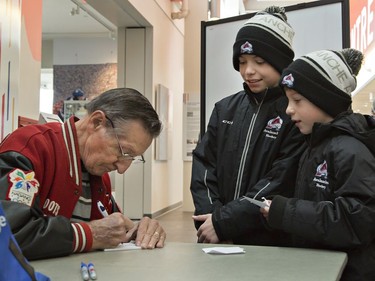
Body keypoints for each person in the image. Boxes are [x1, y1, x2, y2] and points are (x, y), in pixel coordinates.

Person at [0, 88, 166, 260]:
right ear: (96, 122)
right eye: (123, 151)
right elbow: (10, 233)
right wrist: (90, 234)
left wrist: (139, 230)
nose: (122, 168)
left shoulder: (98, 175)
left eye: (132, 158)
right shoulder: (30, 148)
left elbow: (111, 229)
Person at [190, 6, 306, 245]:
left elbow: (280, 179)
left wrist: (225, 221)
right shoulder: (225, 108)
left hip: (270, 240)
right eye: (242, 62)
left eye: (260, 61)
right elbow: (204, 164)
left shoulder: (294, 113)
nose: (248, 71)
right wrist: (212, 217)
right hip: (216, 238)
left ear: (281, 63)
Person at [260, 48, 375, 281]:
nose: (288, 109)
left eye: (297, 100)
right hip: (323, 269)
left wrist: (285, 212)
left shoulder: (349, 150)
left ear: (325, 100)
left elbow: (356, 221)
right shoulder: (315, 145)